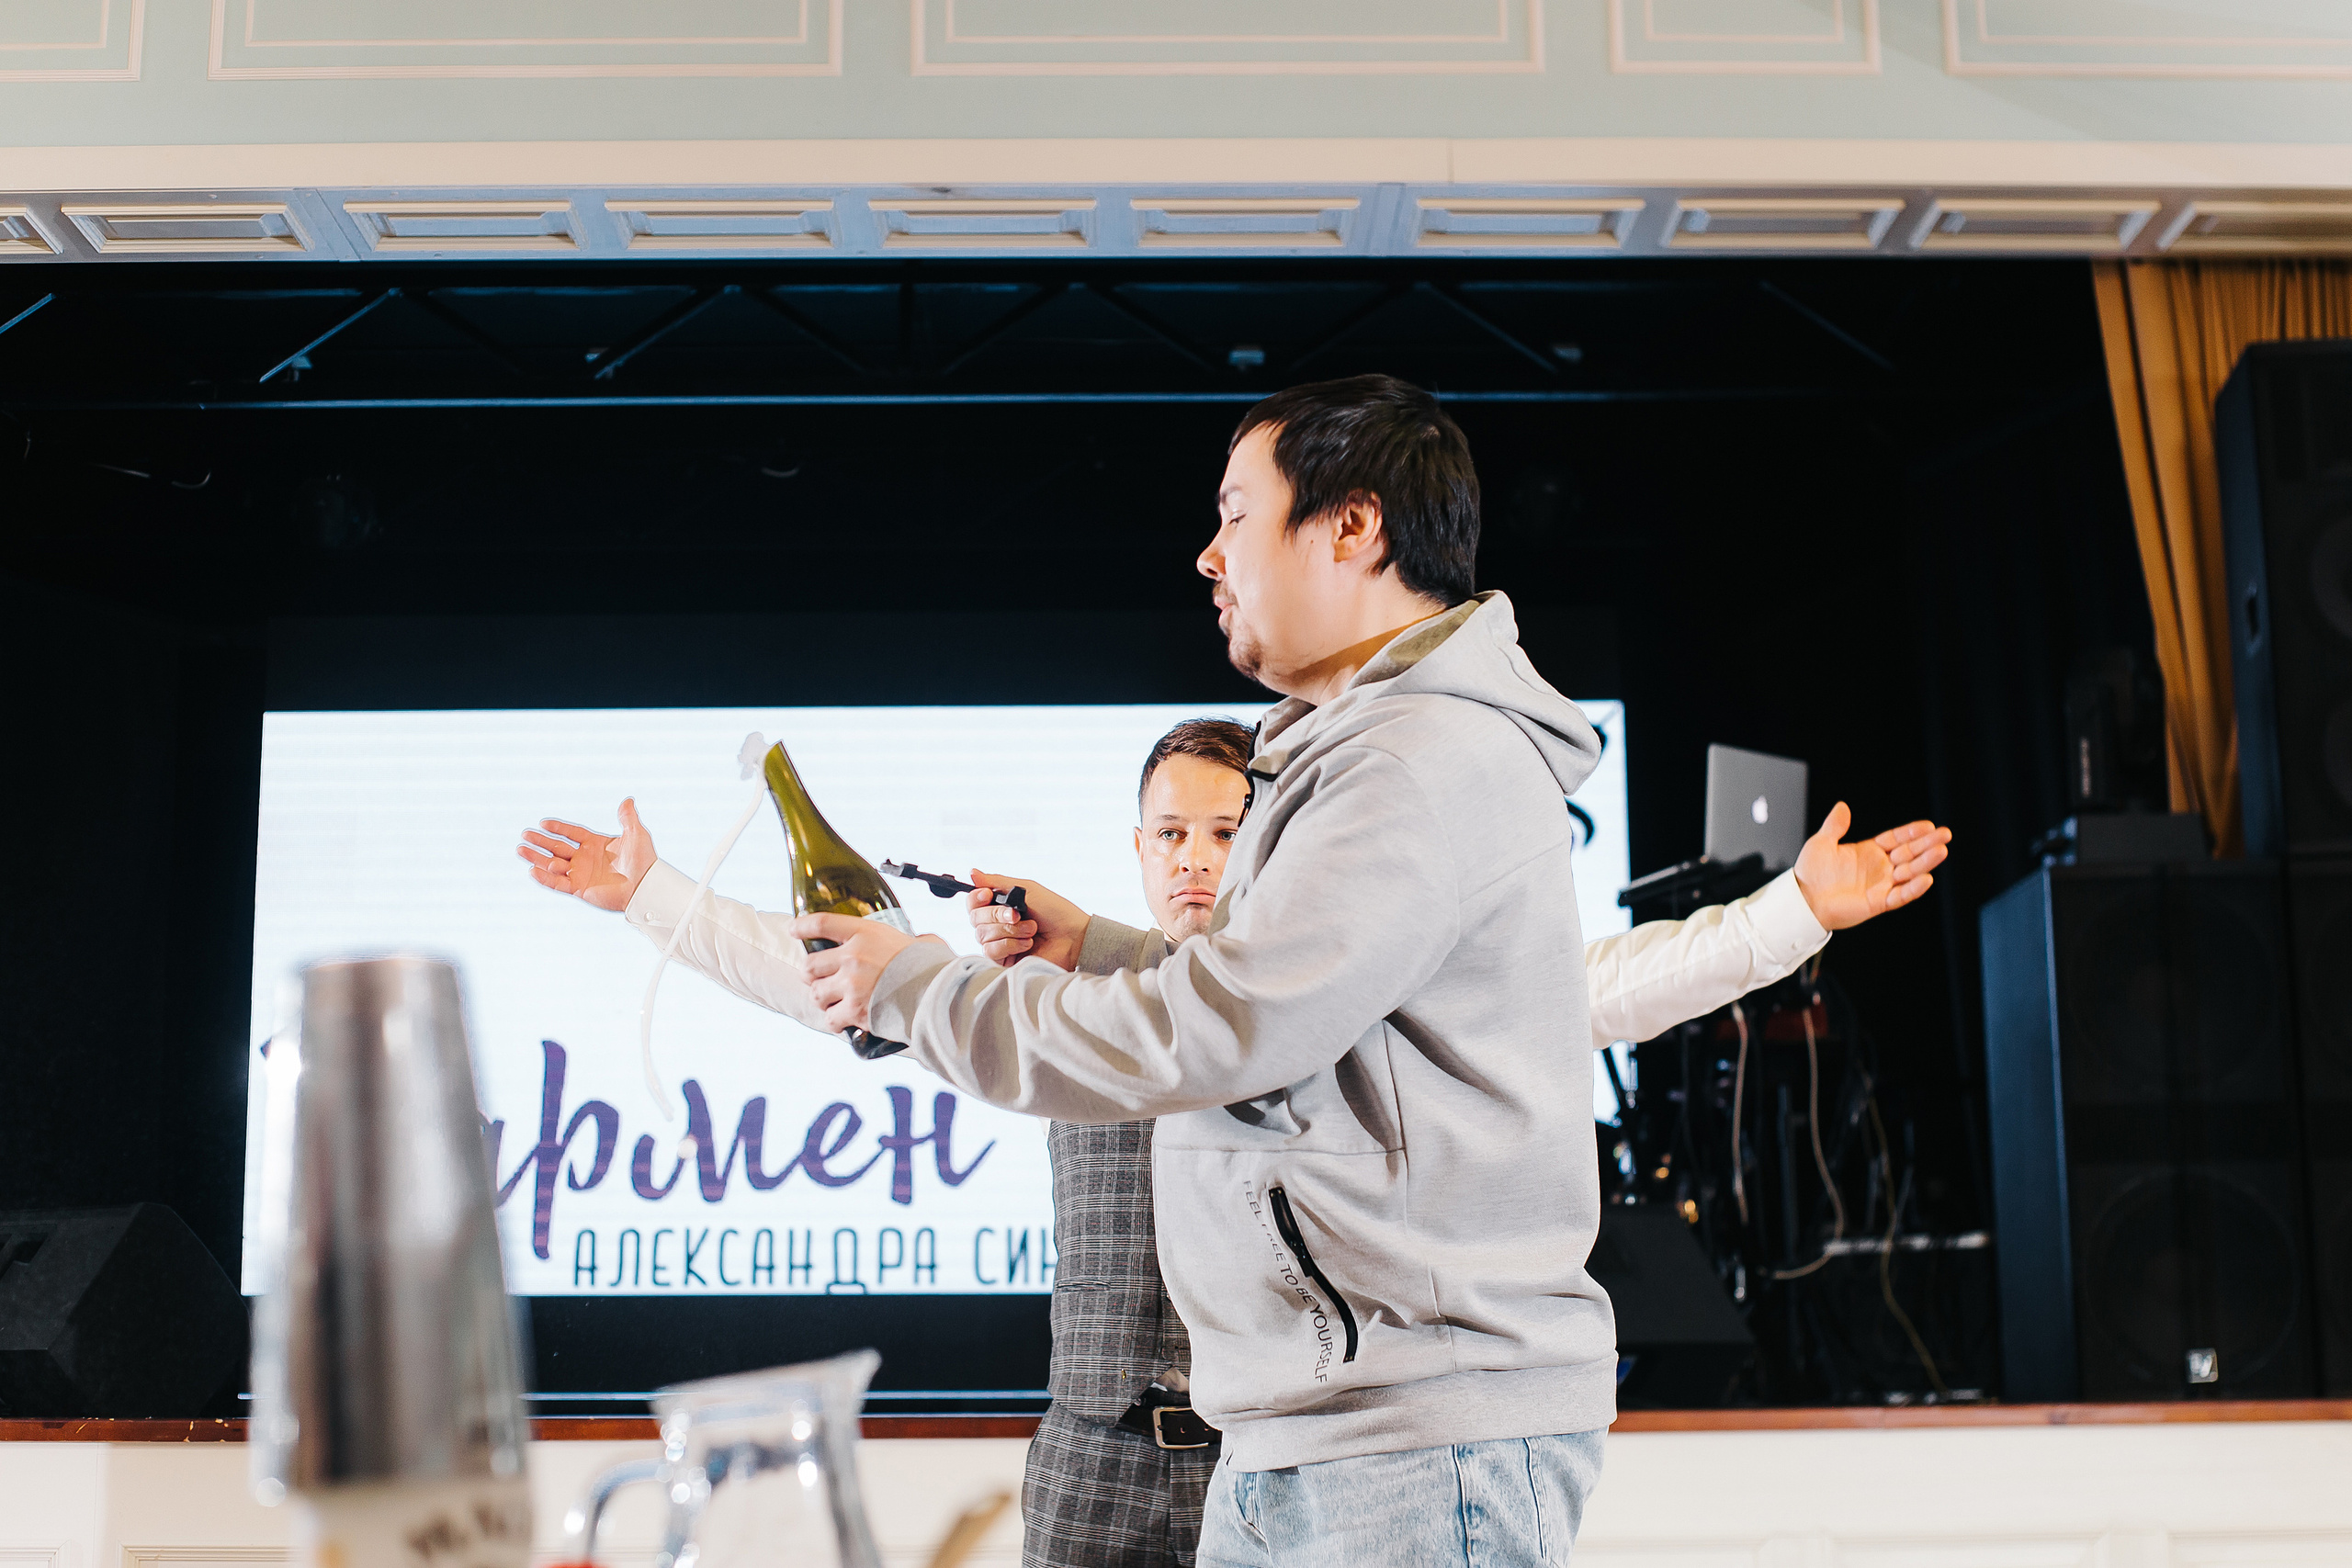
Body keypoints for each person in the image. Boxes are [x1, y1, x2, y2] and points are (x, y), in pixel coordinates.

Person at [522, 374, 1953, 1567]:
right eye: (1169, 835)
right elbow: (1296, 1012)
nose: (1207, 557)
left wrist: (919, 986)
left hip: (1399, 1443)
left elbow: (1232, 1021)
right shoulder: (1356, 769)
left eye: (1231, 517)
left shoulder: (1412, 762)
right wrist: (1078, 947)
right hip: (1278, 1438)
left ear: (1351, 528)